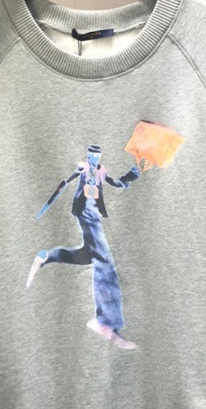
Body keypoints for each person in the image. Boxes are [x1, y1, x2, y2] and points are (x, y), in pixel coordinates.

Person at [27, 143, 140, 349]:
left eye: (97, 155)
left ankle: (47, 257)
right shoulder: (84, 167)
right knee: (105, 264)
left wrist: (129, 177)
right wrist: (80, 169)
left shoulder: (101, 171)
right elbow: (77, 171)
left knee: (87, 255)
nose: (94, 159)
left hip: (95, 215)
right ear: (88, 155)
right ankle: (105, 322)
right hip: (85, 215)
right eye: (92, 155)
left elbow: (115, 183)